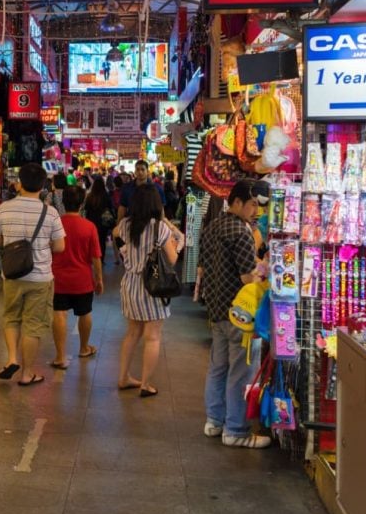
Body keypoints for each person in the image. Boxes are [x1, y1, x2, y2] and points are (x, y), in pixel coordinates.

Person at [197, 179, 272, 449]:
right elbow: (246, 277)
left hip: (216, 310)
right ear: (237, 202)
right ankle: (236, 430)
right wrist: (263, 270)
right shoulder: (240, 232)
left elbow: (204, 265)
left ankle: (214, 421)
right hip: (239, 314)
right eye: (252, 205)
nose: (255, 211)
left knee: (218, 368)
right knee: (240, 372)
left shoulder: (213, 226)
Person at [0, 163, 66, 386]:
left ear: (19, 184)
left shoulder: (4, 208)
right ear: (43, 186)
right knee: (33, 325)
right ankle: (27, 373)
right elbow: (60, 246)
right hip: (40, 277)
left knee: (11, 317)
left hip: (12, 275)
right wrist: (41, 245)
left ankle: (12, 358)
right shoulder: (50, 212)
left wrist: (13, 242)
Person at [112, 185, 179, 397]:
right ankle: (146, 384)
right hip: (153, 285)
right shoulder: (160, 228)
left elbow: (115, 236)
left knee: (132, 333)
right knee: (152, 336)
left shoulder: (125, 225)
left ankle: (123, 377)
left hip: (130, 284)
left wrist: (126, 252)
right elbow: (172, 258)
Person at [49, 186, 104, 368]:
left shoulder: (55, 224)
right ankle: (83, 348)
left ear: (63, 202)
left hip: (58, 278)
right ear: (82, 204)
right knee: (85, 313)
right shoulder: (89, 227)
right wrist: (99, 280)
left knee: (59, 314)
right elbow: (96, 257)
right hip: (82, 280)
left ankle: (60, 357)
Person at [83, 176, 116, 261]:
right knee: (102, 241)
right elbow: (111, 207)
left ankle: (92, 257)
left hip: (91, 221)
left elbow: (86, 209)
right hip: (103, 222)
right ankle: (101, 258)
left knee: (92, 240)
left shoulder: (90, 196)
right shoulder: (106, 195)